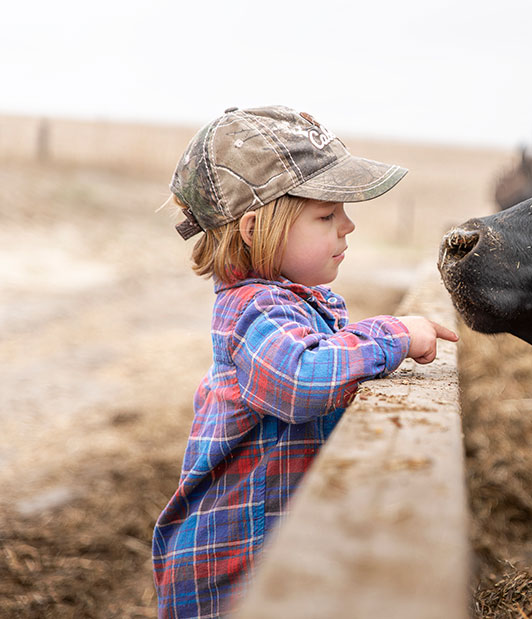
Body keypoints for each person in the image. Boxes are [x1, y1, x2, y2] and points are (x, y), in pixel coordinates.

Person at [151, 105, 458, 618]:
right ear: (254, 229)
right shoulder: (251, 311)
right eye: (326, 215)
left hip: (267, 551)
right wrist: (392, 335)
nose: (349, 225)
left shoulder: (288, 304)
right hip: (229, 570)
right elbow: (302, 378)